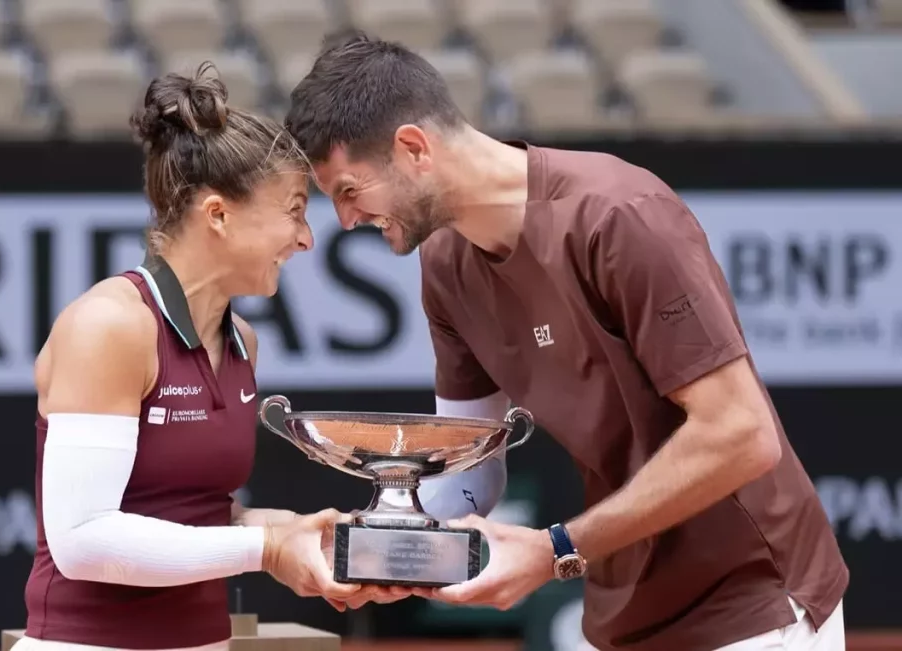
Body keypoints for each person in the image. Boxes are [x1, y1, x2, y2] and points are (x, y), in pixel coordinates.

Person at [284, 31, 849, 651]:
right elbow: (471, 473)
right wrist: (390, 553)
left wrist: (557, 550)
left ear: (413, 148)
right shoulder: (444, 264)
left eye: (349, 191)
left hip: (757, 604)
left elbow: (741, 434)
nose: (344, 221)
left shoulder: (618, 215)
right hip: (626, 610)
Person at [13, 63, 361, 651]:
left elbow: (196, 523)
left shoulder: (243, 342)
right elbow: (81, 542)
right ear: (218, 215)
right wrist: (266, 548)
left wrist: (301, 535)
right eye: (295, 210)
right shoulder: (109, 324)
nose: (306, 238)